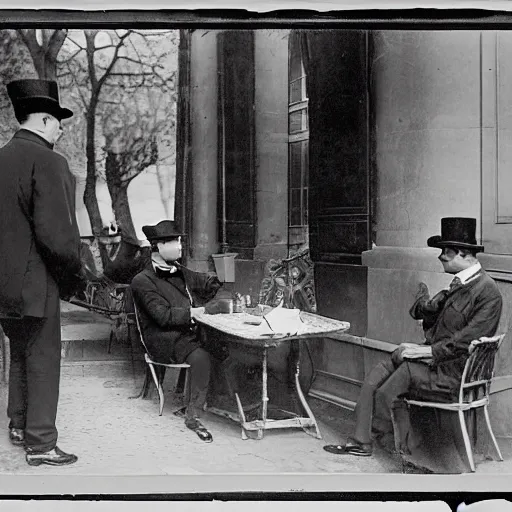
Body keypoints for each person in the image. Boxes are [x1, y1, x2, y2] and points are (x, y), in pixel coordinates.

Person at [323, 217, 503, 457]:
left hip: (451, 372)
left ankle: (396, 444)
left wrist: (426, 351)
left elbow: (467, 340)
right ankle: (361, 440)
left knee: (391, 385)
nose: (440, 257)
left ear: (462, 254)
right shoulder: (459, 285)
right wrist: (427, 307)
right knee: (377, 373)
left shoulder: (487, 291)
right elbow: (430, 318)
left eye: (445, 253)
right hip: (435, 361)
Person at [0, 79, 86, 466]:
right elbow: (58, 236)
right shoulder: (50, 162)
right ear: (45, 120)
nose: (62, 129)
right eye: (59, 122)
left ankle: (18, 425)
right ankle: (41, 443)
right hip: (37, 284)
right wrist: (75, 279)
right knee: (45, 359)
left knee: (19, 353)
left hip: (3, 285)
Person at [130, 220, 223, 443]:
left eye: (179, 241)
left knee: (223, 347)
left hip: (185, 333)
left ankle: (212, 403)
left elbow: (205, 282)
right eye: (173, 241)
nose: (179, 246)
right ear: (157, 247)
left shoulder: (179, 270)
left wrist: (218, 284)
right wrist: (194, 312)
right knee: (201, 357)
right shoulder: (142, 281)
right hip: (162, 338)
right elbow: (162, 316)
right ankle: (193, 417)